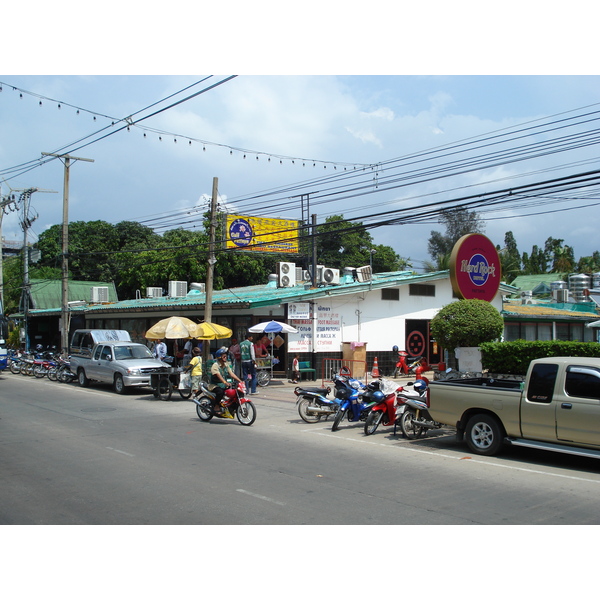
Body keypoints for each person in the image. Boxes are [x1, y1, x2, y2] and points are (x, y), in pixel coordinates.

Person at [209, 347, 243, 416]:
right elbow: (218, 375)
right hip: (215, 385)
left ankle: (230, 407)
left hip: (224, 384)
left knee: (235, 391)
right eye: (223, 356)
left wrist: (240, 381)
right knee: (220, 392)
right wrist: (225, 382)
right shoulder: (215, 366)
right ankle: (216, 406)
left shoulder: (226, 364)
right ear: (219, 357)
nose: (225, 357)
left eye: (226, 355)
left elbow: (231, 374)